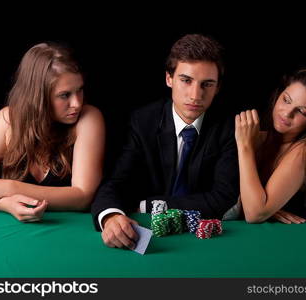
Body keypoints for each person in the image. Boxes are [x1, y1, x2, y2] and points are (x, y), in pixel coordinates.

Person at [92, 33, 239, 249]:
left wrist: (145, 205)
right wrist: (110, 216)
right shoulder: (144, 121)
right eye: (186, 80)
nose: (195, 95)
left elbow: (223, 198)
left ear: (217, 87)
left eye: (207, 84)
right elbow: (115, 184)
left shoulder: (229, 127)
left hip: (210, 245)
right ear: (169, 79)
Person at [0, 42, 105, 222]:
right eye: (64, 95)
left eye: (79, 90)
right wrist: (5, 204)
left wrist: (10, 188)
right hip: (14, 233)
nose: (77, 103)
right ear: (38, 96)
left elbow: (82, 197)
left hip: (68, 230)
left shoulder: (88, 118)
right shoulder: (8, 119)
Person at [225, 66, 306, 223]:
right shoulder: (260, 138)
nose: (287, 113)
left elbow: (254, 213)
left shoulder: (304, 151)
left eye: (302, 112)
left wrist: (245, 146)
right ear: (278, 95)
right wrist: (269, 210)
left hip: (287, 241)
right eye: (286, 100)